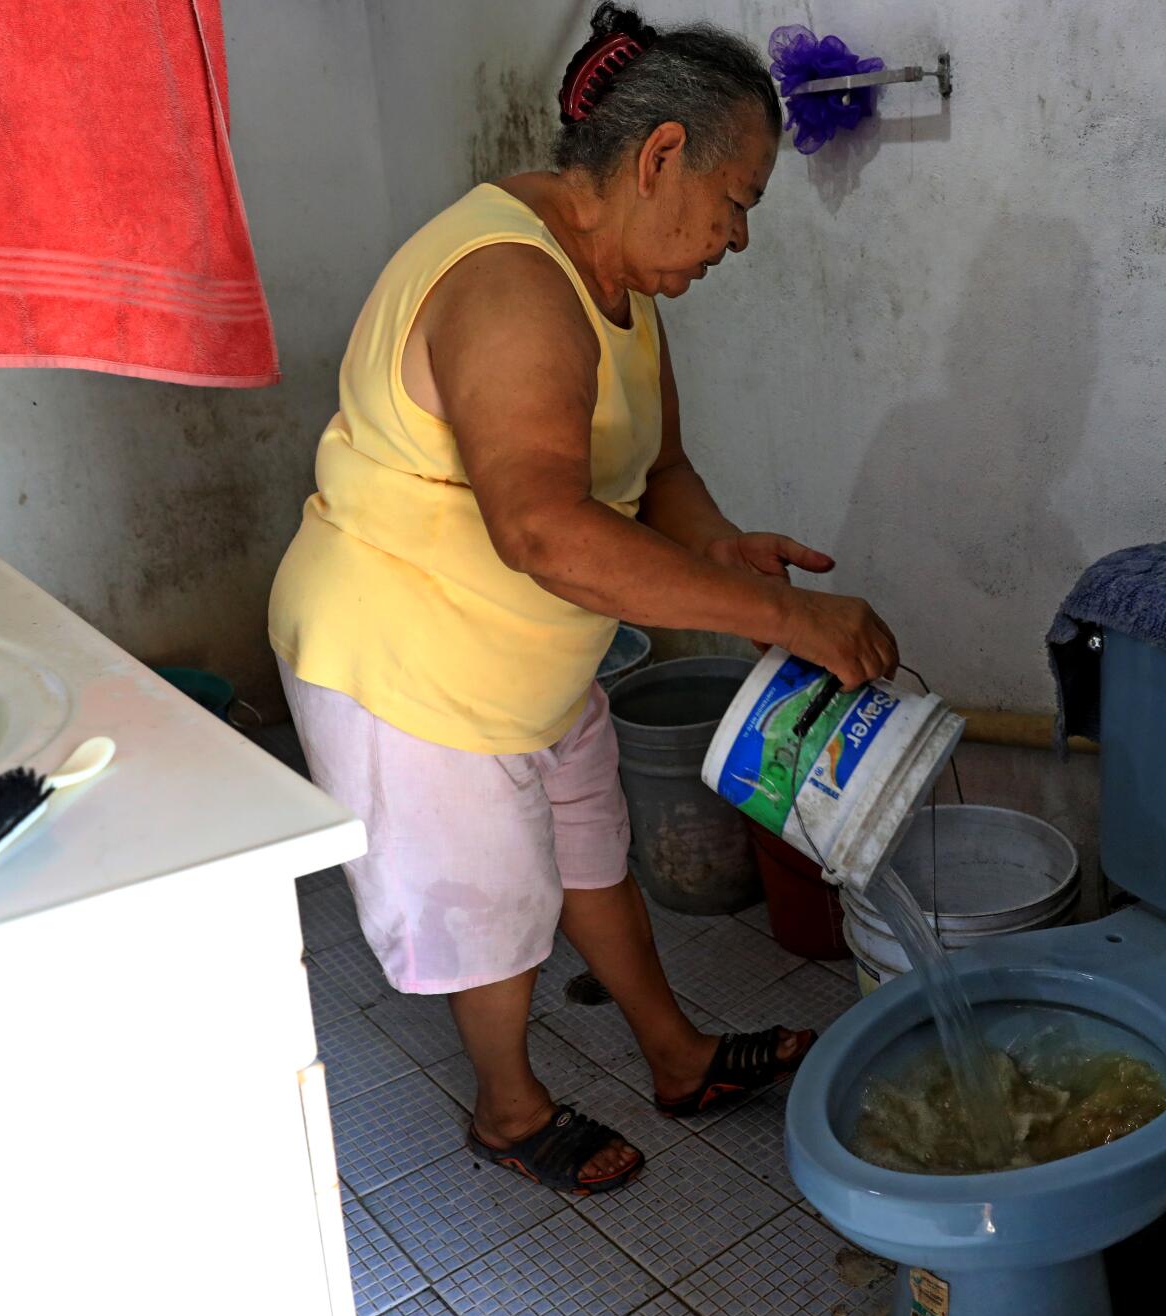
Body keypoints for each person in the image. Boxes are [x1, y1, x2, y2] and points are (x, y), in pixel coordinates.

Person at [268, 4, 897, 1194]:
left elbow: (657, 475)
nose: (738, 237)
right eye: (738, 200)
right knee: (490, 911)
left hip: (534, 651)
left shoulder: (623, 285)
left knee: (593, 852)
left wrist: (725, 555)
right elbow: (544, 526)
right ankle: (507, 1109)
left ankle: (674, 1052)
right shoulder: (511, 283)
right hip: (411, 656)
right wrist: (784, 621)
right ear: (660, 156)